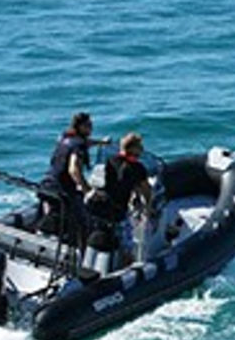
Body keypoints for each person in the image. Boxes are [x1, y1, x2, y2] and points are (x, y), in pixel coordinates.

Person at [39, 112, 109, 244]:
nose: (91, 128)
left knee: (55, 213)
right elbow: (74, 170)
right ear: (80, 127)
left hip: (47, 184)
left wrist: (102, 143)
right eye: (88, 125)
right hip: (61, 189)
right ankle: (77, 246)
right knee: (81, 217)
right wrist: (88, 191)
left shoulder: (65, 138)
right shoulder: (78, 146)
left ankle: (45, 232)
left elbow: (86, 142)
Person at [86, 132, 153, 265]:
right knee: (127, 242)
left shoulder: (111, 161)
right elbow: (146, 191)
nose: (142, 149)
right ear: (132, 149)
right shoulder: (137, 168)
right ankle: (128, 266)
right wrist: (148, 207)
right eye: (139, 146)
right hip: (118, 211)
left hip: (103, 206)